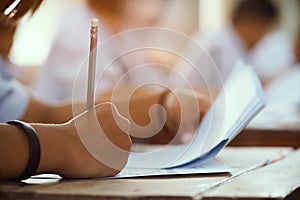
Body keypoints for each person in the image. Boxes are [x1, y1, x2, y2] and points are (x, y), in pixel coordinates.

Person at [0, 0, 209, 180]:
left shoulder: (126, 34)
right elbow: (100, 98)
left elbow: (42, 114)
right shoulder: (78, 28)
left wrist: (164, 103)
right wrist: (63, 146)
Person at [170, 0, 294, 90]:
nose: (263, 37)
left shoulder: (234, 42)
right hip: (184, 109)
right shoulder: (219, 43)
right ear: (248, 23)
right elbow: (233, 91)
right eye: (263, 29)